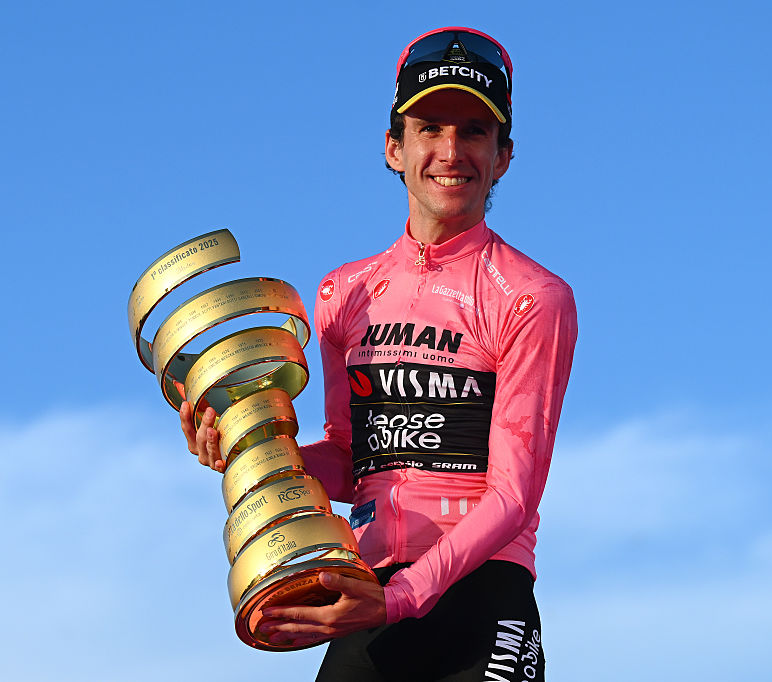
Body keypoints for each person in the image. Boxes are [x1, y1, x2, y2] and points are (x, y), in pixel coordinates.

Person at [182, 26, 576, 681]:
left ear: (504, 156)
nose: (451, 152)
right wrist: (251, 450)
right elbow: (350, 459)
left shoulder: (533, 296)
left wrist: (402, 598)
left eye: (474, 132)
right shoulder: (345, 293)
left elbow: (512, 495)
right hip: (369, 594)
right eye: (430, 128)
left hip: (480, 599)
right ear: (395, 148)